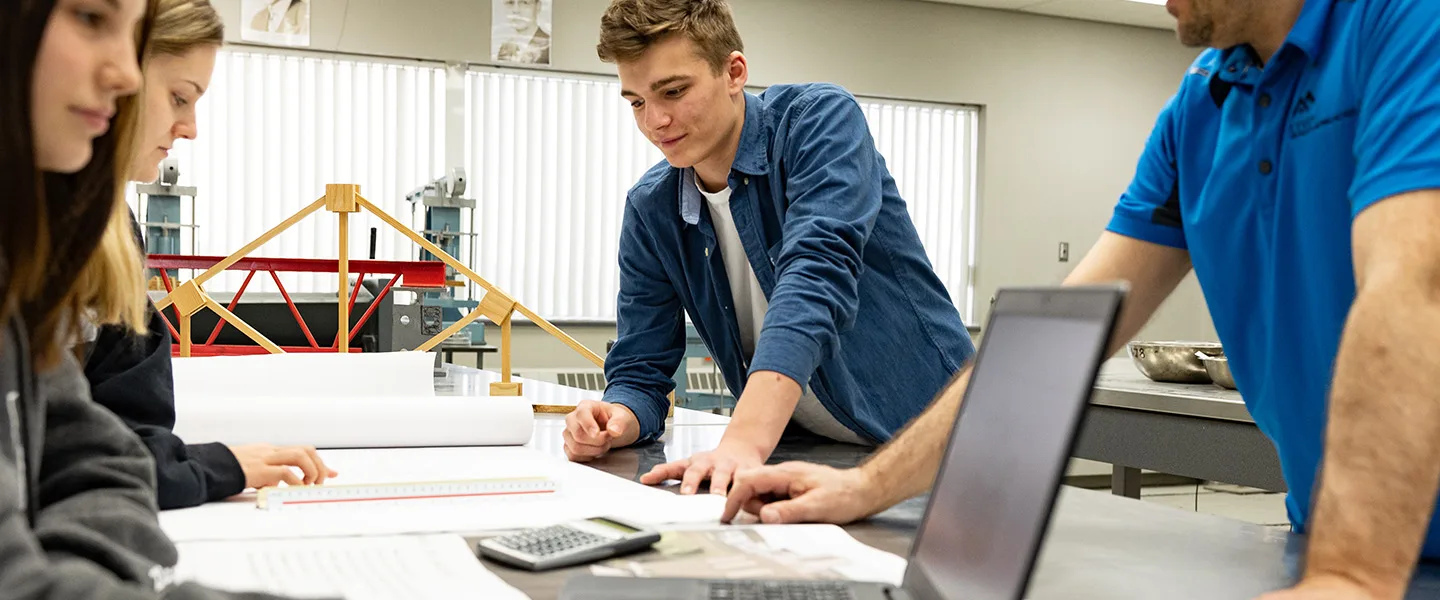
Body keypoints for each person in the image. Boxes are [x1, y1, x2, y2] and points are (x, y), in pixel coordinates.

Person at [722, 0, 1440, 598]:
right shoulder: (1204, 105)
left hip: (1367, 559)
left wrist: (1353, 575)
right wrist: (865, 488)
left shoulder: (1409, 25)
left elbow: (1413, 289)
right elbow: (1058, 337)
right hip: (1341, 543)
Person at [563, 0, 977, 497]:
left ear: (734, 72)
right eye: (636, 102)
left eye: (673, 91)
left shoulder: (818, 121)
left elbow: (816, 274)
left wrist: (742, 441)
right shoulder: (652, 209)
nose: (655, 121)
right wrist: (617, 417)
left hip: (944, 443)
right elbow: (641, 367)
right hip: (817, 456)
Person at [0, 0, 293, 597]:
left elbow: (96, 457)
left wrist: (102, 570)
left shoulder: (27, 256)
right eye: (90, 18)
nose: (126, 75)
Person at [83, 0, 336, 512]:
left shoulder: (114, 233)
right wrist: (208, 467)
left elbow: (114, 437)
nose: (191, 128)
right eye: (179, 97)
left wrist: (194, 466)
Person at [495, 0, 550, 64]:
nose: (515, 10)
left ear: (538, 6)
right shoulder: (504, 48)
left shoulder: (549, 47)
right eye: (510, 2)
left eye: (524, 2)